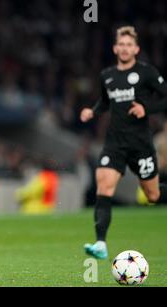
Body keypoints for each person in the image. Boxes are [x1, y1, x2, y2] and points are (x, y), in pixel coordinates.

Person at [80, 26, 167, 259]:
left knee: (153, 196)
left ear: (136, 48)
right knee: (104, 185)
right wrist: (93, 111)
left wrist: (145, 108)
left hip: (141, 144)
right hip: (115, 143)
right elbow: (105, 101)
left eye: (130, 45)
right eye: (122, 44)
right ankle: (100, 243)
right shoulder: (107, 75)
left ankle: (156, 192)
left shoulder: (147, 73)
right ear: (115, 48)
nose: (125, 48)